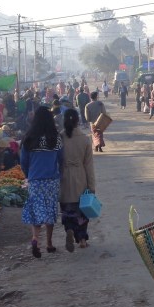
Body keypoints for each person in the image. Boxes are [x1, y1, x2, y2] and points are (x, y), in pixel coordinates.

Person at [21, 106, 64, 258]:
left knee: (36, 209)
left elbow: (23, 162)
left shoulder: (28, 139)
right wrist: (60, 174)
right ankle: (49, 243)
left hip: (35, 180)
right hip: (51, 180)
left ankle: (35, 238)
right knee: (50, 210)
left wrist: (29, 175)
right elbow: (61, 159)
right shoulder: (56, 138)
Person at [59, 109, 96, 251]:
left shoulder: (60, 138)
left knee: (67, 210)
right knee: (82, 212)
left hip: (64, 178)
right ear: (77, 121)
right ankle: (82, 239)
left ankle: (69, 229)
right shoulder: (85, 139)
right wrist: (91, 186)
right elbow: (89, 166)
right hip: (81, 178)